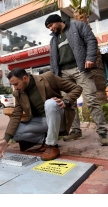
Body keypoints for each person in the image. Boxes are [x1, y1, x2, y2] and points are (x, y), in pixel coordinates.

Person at [45, 14, 108, 146]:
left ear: (57, 21)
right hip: (63, 73)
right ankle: (75, 130)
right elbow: (53, 59)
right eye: (48, 27)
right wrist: (54, 74)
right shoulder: (53, 39)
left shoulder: (77, 25)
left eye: (51, 25)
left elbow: (91, 40)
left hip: (81, 69)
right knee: (68, 103)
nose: (50, 29)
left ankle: (103, 132)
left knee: (91, 100)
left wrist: (90, 58)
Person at [0, 68, 82, 161]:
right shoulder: (18, 93)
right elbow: (16, 115)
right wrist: (6, 139)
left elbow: (77, 88)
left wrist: (66, 101)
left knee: (50, 103)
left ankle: (52, 145)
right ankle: (46, 140)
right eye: (13, 85)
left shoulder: (48, 78)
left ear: (25, 78)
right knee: (13, 132)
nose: (15, 87)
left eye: (16, 84)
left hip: (59, 118)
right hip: (42, 122)